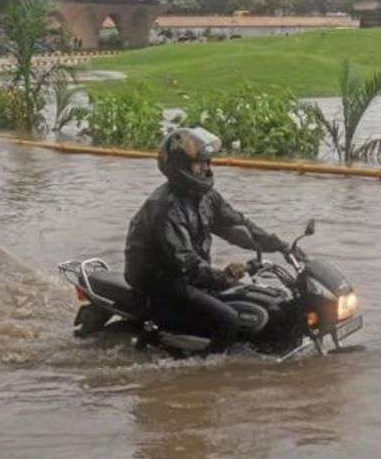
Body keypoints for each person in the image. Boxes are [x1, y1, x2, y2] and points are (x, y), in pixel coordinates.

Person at [124, 127, 289, 353]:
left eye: (208, 162)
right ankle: (207, 371)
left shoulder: (205, 197)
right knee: (230, 318)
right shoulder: (166, 208)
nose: (206, 168)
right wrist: (225, 276)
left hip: (189, 277)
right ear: (180, 166)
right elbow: (186, 263)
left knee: (255, 299)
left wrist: (280, 246)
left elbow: (237, 225)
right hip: (163, 281)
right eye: (200, 163)